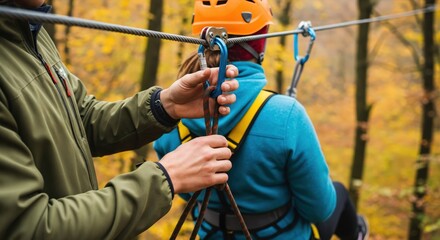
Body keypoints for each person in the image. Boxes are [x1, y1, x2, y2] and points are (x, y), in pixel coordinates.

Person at [0, 0, 241, 239]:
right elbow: (30, 228)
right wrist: (166, 178)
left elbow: (81, 119)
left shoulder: (28, 31)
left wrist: (165, 105)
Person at [154, 0, 369, 239]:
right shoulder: (286, 116)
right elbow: (319, 208)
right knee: (338, 192)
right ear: (261, 40)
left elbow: (183, 190)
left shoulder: (171, 112)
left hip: (210, 232)